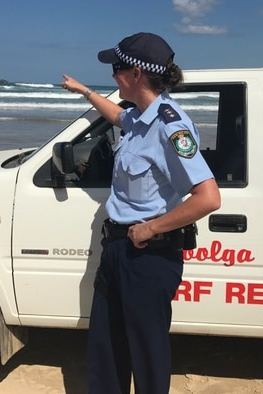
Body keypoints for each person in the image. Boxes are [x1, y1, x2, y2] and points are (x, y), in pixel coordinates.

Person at [62, 32, 221, 394]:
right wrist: (85, 92)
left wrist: (151, 228)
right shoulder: (140, 117)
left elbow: (208, 197)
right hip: (118, 250)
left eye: (116, 68)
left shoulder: (170, 126)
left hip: (148, 256)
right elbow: (118, 116)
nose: (113, 75)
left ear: (135, 74)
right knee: (106, 347)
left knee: (147, 355)